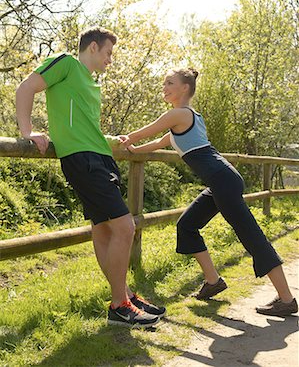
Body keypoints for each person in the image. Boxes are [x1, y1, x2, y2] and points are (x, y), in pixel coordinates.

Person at [15, 27, 166, 327]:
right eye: (109, 52)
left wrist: (113, 140)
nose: (111, 59)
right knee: (125, 227)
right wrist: (26, 131)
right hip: (82, 161)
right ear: (93, 47)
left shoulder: (90, 83)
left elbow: (86, 128)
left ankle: (124, 295)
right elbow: (25, 88)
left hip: (99, 157)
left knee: (105, 231)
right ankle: (118, 305)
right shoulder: (67, 63)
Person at [120, 67, 298, 317]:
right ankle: (213, 281)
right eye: (164, 83)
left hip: (223, 181)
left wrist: (125, 139)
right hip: (220, 182)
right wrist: (133, 151)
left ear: (185, 88)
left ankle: (287, 299)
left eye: (170, 83)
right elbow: (158, 142)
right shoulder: (184, 120)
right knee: (187, 225)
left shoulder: (180, 114)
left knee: (252, 237)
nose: (165, 87)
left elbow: (149, 129)